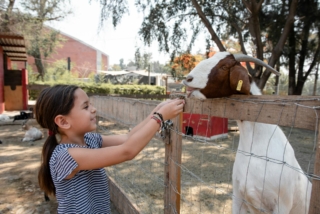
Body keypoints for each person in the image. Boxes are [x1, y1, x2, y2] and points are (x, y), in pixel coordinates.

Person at [35, 84, 185, 213]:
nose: (93, 109)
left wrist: (158, 110)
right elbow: (127, 151)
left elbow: (128, 138)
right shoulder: (66, 155)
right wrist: (159, 118)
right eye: (86, 106)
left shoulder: (90, 140)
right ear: (63, 121)